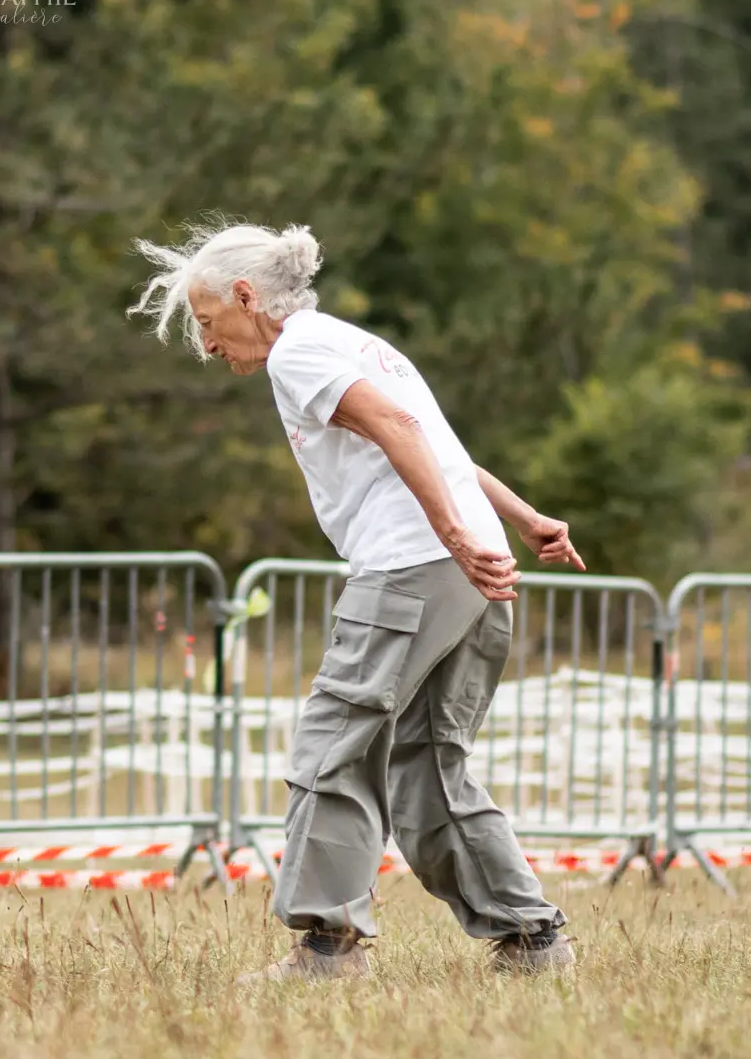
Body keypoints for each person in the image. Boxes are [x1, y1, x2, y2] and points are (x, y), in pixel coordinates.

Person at [129, 219, 583, 980]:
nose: (208, 346)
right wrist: (518, 519)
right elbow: (439, 445)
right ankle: (533, 939)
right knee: (430, 762)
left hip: (414, 567)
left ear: (247, 296)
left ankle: (326, 947)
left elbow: (399, 428)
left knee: (331, 748)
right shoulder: (356, 342)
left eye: (209, 323)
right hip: (474, 570)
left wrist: (452, 534)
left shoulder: (298, 352)